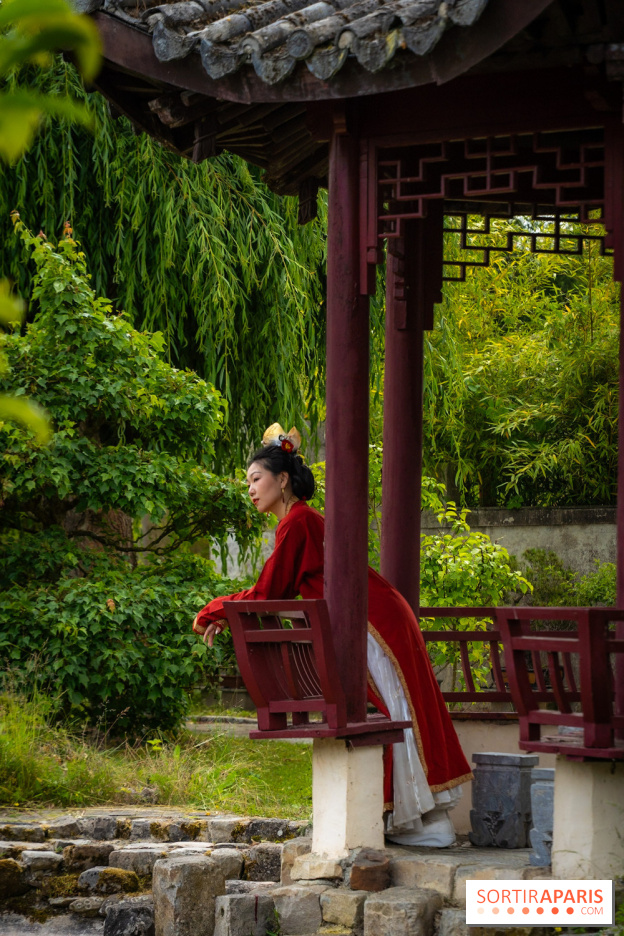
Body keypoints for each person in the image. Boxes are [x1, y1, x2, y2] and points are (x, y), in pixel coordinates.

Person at [193, 423, 473, 847]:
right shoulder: (297, 521)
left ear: (282, 480)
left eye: (256, 479)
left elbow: (270, 591)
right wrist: (226, 611)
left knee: (392, 705)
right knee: (397, 704)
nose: (249, 489)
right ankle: (414, 818)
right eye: (247, 482)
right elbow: (277, 589)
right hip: (375, 612)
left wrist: (214, 609)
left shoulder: (299, 522)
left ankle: (413, 819)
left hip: (371, 619)